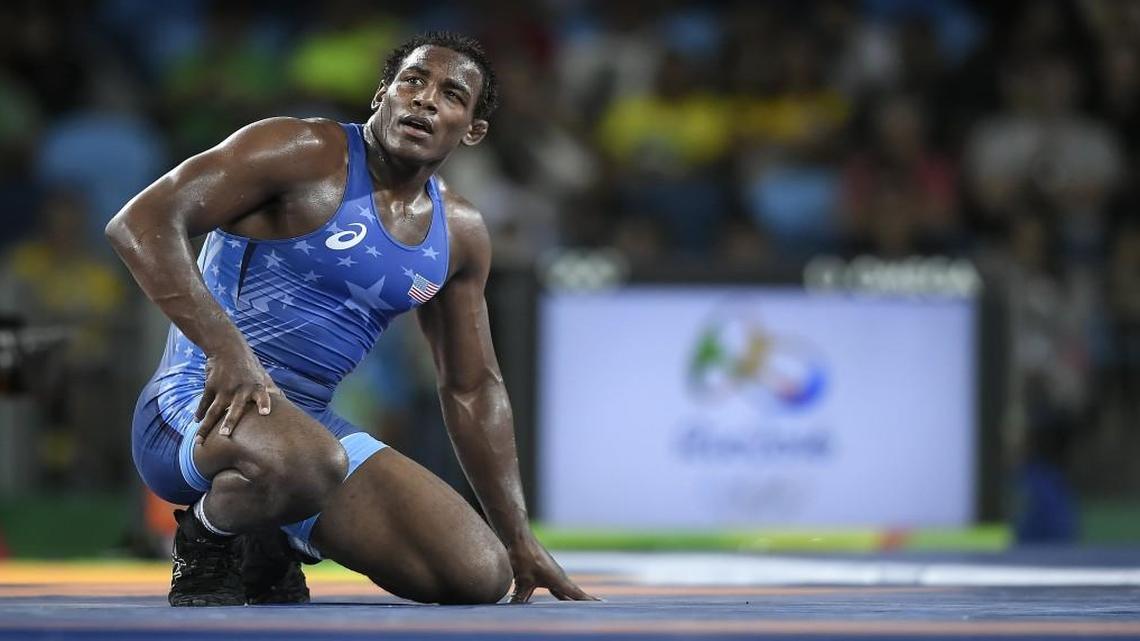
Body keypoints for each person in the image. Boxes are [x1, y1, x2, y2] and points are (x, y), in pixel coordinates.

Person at [106, 32, 595, 607]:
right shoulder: (299, 151)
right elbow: (139, 223)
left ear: (472, 130)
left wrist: (518, 537)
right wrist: (226, 349)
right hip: (195, 407)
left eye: (451, 95)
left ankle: (271, 536)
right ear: (382, 95)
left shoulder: (459, 232)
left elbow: (472, 387)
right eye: (413, 81)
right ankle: (206, 540)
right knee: (309, 462)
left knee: (478, 575)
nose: (425, 99)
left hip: (305, 439)